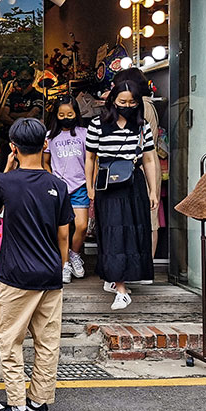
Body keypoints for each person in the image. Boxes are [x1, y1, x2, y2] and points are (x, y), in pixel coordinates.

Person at [0, 118, 74, 411]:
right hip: (50, 273)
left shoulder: (5, 182)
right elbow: (63, 236)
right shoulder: (59, 185)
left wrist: (8, 168)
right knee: (47, 341)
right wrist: (60, 265)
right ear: (45, 145)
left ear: (13, 147)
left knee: (10, 341)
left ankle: (17, 407)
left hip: (15, 274)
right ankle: (38, 402)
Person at [84, 81, 160, 310]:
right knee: (112, 231)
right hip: (108, 184)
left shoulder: (141, 125)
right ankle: (120, 287)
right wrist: (89, 186)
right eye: (122, 101)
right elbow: (90, 157)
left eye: (132, 102)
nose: (127, 106)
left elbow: (148, 158)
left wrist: (153, 189)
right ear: (112, 101)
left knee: (133, 230)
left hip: (133, 183)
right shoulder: (98, 125)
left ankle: (120, 282)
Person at [111, 67, 162, 259]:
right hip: (145, 162)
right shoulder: (148, 104)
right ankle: (143, 263)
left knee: (148, 218)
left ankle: (145, 263)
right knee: (148, 218)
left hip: (140, 164)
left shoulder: (142, 106)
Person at [44, 95, 90, 284]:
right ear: (56, 115)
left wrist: (90, 183)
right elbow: (45, 162)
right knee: (62, 231)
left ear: (76, 114)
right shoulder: (49, 137)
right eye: (61, 114)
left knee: (82, 226)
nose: (66, 117)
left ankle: (74, 254)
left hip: (80, 186)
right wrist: (52, 179)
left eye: (69, 114)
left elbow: (91, 160)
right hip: (60, 188)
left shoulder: (84, 133)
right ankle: (64, 265)